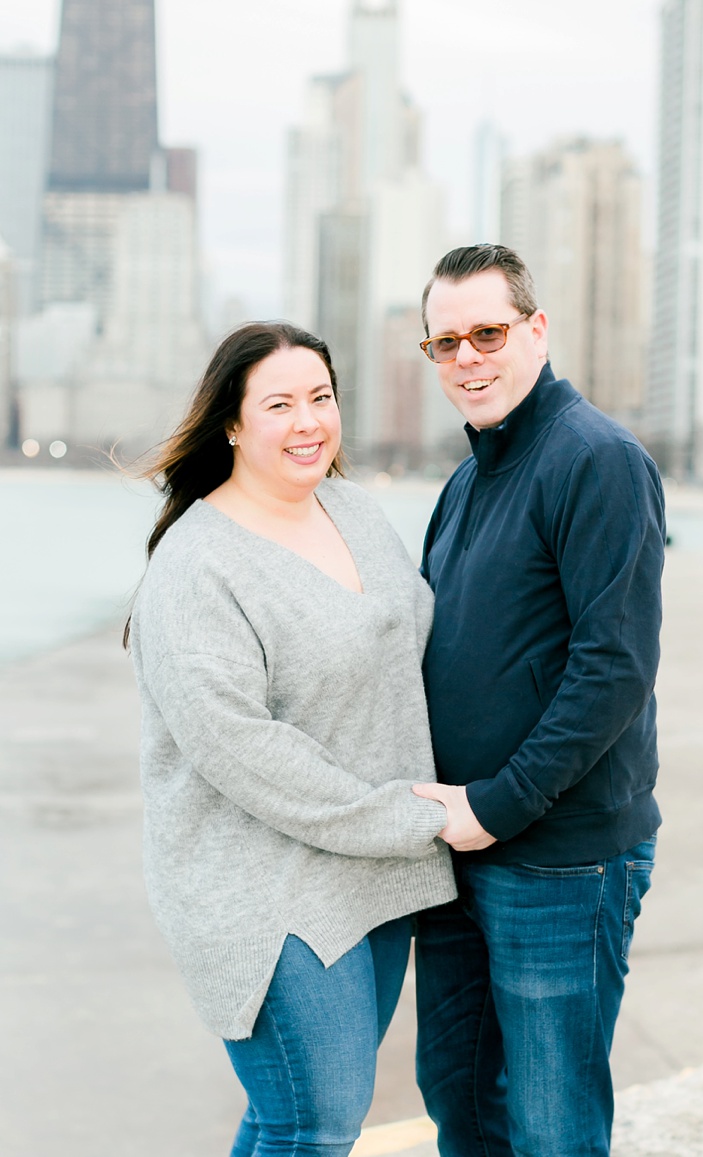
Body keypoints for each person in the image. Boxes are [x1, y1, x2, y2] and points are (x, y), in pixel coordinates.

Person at [126, 322, 456, 1157]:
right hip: (265, 892)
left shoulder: (352, 509)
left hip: (374, 870)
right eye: (278, 403)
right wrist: (411, 818)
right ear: (232, 424)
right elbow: (244, 749)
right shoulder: (196, 566)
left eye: (320, 397)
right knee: (316, 1122)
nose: (307, 420)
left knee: (288, 1118)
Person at [411, 244, 665, 1157]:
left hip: (559, 859)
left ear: (536, 329)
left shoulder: (595, 460)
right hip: (457, 853)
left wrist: (497, 805)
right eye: (445, 342)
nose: (468, 357)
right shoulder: (464, 480)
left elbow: (614, 668)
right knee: (457, 1095)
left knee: (553, 1126)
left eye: (487, 332)